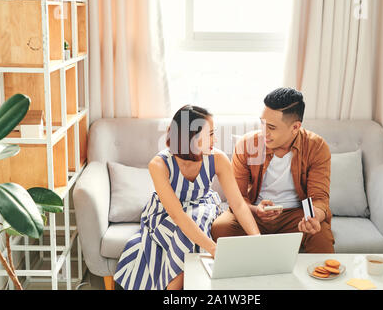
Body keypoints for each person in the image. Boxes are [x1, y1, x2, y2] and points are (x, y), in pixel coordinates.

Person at [114, 105, 260, 290]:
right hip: (166, 213)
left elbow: (238, 203)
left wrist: (257, 240)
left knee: (196, 218)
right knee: (187, 228)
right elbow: (177, 215)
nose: (215, 139)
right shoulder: (159, 164)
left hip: (203, 206)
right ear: (190, 138)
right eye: (210, 134)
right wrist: (213, 248)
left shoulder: (218, 159)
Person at [211, 88, 335, 253]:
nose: (264, 132)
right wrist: (257, 210)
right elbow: (237, 198)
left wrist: (313, 218)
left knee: (321, 236)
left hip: (296, 216)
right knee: (221, 228)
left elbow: (319, 199)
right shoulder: (247, 145)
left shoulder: (317, 147)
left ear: (295, 127)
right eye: (262, 123)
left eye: (271, 127)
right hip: (254, 214)